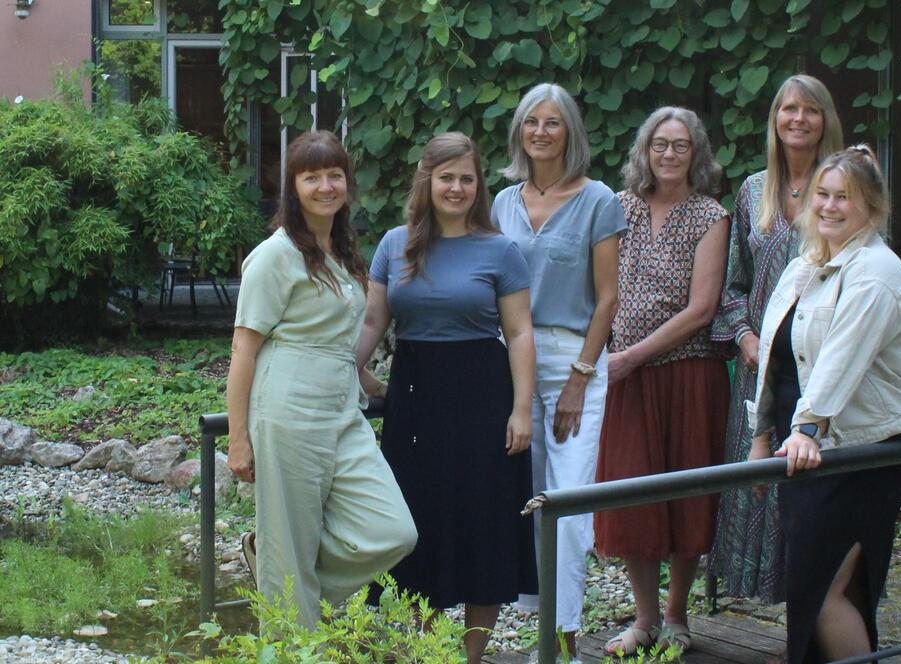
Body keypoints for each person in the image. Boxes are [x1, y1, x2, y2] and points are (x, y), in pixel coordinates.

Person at [356, 132, 537, 663]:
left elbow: (521, 333)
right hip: (415, 398)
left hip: (484, 396)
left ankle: (472, 657)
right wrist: (355, 370)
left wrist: (522, 410)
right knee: (419, 525)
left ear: (478, 185)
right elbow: (372, 320)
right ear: (427, 180)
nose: (456, 187)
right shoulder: (395, 243)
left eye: (466, 178)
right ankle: (428, 651)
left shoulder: (500, 249)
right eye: (446, 177)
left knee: (484, 523)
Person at [225, 130, 417, 630]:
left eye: (334, 175)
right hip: (288, 409)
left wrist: (372, 384)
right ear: (293, 187)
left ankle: (280, 576)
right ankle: (289, 626)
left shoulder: (343, 250)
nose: (325, 186)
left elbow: (336, 337)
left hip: (341, 411)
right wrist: (238, 436)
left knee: (393, 531)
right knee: (288, 550)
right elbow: (244, 347)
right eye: (312, 177)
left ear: (348, 184)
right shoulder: (275, 254)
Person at [748, 145, 901, 663]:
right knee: (815, 591)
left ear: (871, 205)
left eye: (843, 197)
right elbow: (776, 360)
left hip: (859, 450)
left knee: (825, 592)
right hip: (806, 449)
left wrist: (807, 428)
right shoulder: (808, 265)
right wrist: (762, 436)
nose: (828, 206)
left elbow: (841, 358)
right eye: (822, 194)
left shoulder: (875, 270)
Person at [491, 82, 627, 658]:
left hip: (574, 361)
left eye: (552, 122)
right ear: (519, 131)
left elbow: (608, 299)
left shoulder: (599, 200)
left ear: (570, 131)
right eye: (531, 122)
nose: (540, 132)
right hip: (510, 364)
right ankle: (540, 629)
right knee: (526, 500)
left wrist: (579, 377)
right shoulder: (501, 202)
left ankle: (566, 641)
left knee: (569, 506)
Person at [594, 107, 731, 656]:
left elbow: (702, 310)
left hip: (688, 376)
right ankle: (644, 619)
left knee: (687, 498)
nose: (669, 155)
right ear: (643, 152)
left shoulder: (710, 216)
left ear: (695, 153)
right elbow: (598, 289)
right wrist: (606, 358)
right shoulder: (617, 208)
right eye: (659, 144)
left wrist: (630, 357)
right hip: (626, 378)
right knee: (632, 498)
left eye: (680, 145)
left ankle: (677, 617)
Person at [708, 74, 844, 603]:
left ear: (825, 119)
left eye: (811, 110)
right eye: (789, 109)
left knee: (812, 499)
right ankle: (779, 627)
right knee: (758, 488)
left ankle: (809, 631)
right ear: (775, 119)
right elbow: (733, 282)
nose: (798, 119)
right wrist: (743, 335)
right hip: (758, 368)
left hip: (820, 365)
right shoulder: (751, 191)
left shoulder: (841, 191)